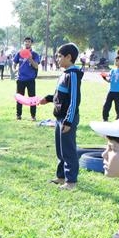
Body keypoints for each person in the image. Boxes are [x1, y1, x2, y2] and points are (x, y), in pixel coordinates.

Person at [39, 43, 83, 191]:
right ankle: (61, 176)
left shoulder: (73, 75)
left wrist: (68, 121)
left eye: (59, 56)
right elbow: (60, 96)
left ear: (69, 57)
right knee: (60, 149)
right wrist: (48, 98)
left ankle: (71, 181)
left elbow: (74, 100)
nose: (57, 59)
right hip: (58, 118)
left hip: (67, 119)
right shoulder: (64, 74)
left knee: (68, 150)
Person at [14, 37, 41, 121]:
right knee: (19, 98)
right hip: (20, 79)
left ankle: (33, 116)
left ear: (31, 44)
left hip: (30, 80)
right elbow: (14, 63)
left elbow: (36, 66)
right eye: (25, 42)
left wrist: (30, 58)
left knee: (32, 98)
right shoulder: (19, 53)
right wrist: (14, 69)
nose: (27, 43)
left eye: (29, 42)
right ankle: (18, 115)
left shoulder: (35, 54)